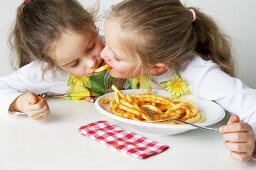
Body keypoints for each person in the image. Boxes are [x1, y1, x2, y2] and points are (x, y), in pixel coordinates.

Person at [100, 0, 256, 161]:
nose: (103, 54)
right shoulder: (132, 51)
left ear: (157, 68)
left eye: (116, 56)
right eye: (107, 43)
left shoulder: (201, 75)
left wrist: (251, 141)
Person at [0, 0, 117, 121]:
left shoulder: (118, 45)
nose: (91, 62)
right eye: (74, 63)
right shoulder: (47, 72)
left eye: (91, 46)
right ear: (49, 62)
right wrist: (20, 103)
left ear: (92, 26)